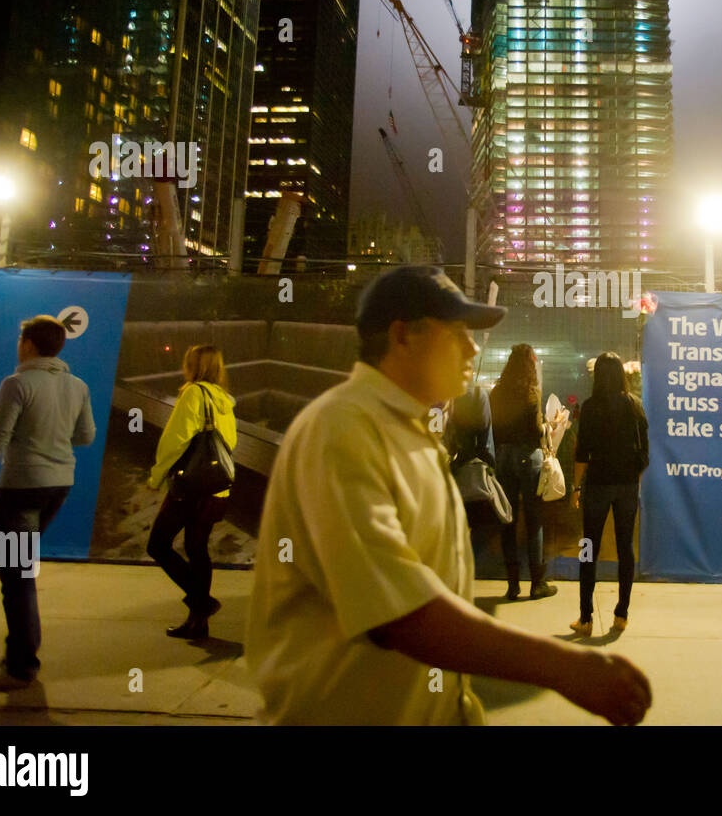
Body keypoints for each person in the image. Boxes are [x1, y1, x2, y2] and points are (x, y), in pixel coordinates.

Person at [245, 266, 651, 725]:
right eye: (456, 332)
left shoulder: (410, 433)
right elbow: (399, 612)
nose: (472, 347)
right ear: (402, 337)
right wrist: (562, 666)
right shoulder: (341, 431)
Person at [0, 315, 95, 690]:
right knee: (20, 572)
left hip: (21, 491)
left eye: (20, 339)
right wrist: (51, 439)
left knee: (16, 579)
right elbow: (86, 436)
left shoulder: (16, 384)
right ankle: (20, 657)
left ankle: (20, 666)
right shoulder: (78, 386)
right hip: (59, 487)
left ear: (28, 344)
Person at [146, 345, 238, 640]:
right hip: (216, 488)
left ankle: (203, 602)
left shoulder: (194, 394)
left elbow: (175, 441)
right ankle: (198, 623)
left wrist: (157, 475)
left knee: (158, 545)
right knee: (197, 548)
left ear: (192, 365)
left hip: (190, 488)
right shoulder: (224, 400)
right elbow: (230, 444)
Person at [570, 352, 649, 638]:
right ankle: (622, 614)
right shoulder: (635, 406)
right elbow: (644, 454)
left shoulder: (590, 407)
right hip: (626, 487)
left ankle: (585, 617)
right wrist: (633, 481)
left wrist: (577, 487)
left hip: (599, 486)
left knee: (588, 547)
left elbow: (582, 453)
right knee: (625, 547)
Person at [490, 343, 555, 600]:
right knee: (534, 520)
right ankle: (537, 583)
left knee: (508, 518)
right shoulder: (532, 392)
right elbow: (536, 429)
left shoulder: (497, 392)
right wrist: (548, 426)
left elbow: (493, 427)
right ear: (530, 365)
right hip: (529, 457)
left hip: (504, 457)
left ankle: (513, 584)